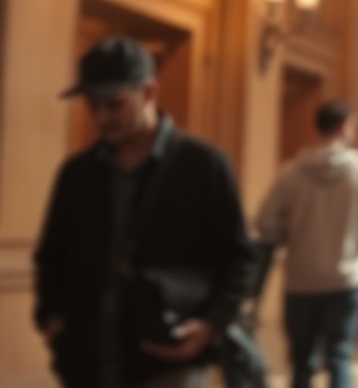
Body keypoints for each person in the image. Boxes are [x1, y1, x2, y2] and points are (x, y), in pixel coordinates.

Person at [33, 37, 255, 388]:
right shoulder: (76, 174)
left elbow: (240, 258)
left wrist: (212, 323)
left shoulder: (204, 165)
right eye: (93, 106)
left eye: (114, 104)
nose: (101, 117)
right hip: (85, 364)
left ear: (149, 92)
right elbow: (51, 255)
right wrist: (51, 318)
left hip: (167, 364)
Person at [254, 100, 358, 388]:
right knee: (339, 357)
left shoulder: (291, 172)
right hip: (347, 280)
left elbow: (263, 220)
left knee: (302, 362)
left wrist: (289, 240)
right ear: (345, 128)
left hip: (301, 279)